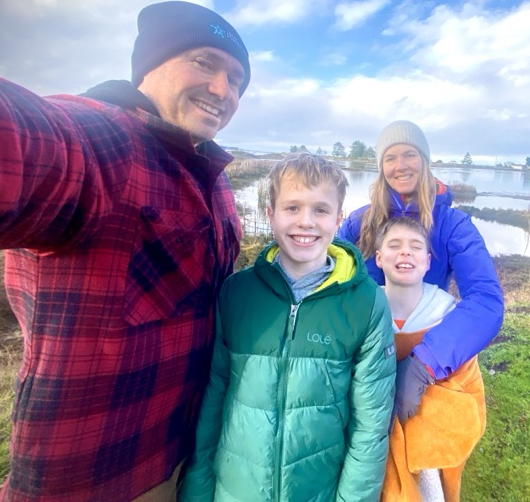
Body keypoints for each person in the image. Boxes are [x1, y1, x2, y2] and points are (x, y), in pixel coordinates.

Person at [0, 0, 251, 501]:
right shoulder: (101, 141)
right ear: (151, 65)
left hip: (191, 459)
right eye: (205, 63)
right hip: (98, 479)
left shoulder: (214, 178)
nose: (223, 90)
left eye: (237, 80)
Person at [178, 153, 397, 502]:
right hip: (235, 490)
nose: (305, 222)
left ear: (339, 218)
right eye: (292, 208)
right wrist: (198, 489)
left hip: (317, 490)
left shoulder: (366, 303)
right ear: (270, 213)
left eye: (321, 210)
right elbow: (215, 395)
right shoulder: (237, 293)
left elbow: (370, 426)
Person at [337, 120, 503, 424]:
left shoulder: (454, 226)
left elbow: (485, 301)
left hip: (424, 346)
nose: (400, 166)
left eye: (409, 154)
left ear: (425, 161)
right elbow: (330, 284)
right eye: (390, 157)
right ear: (381, 167)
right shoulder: (358, 223)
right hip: (366, 352)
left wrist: (426, 362)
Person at [374, 217, 486, 502]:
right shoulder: (366, 308)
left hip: (426, 455)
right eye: (394, 245)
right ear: (378, 258)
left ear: (427, 262)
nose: (405, 251)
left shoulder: (447, 315)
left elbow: (465, 391)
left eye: (415, 246)